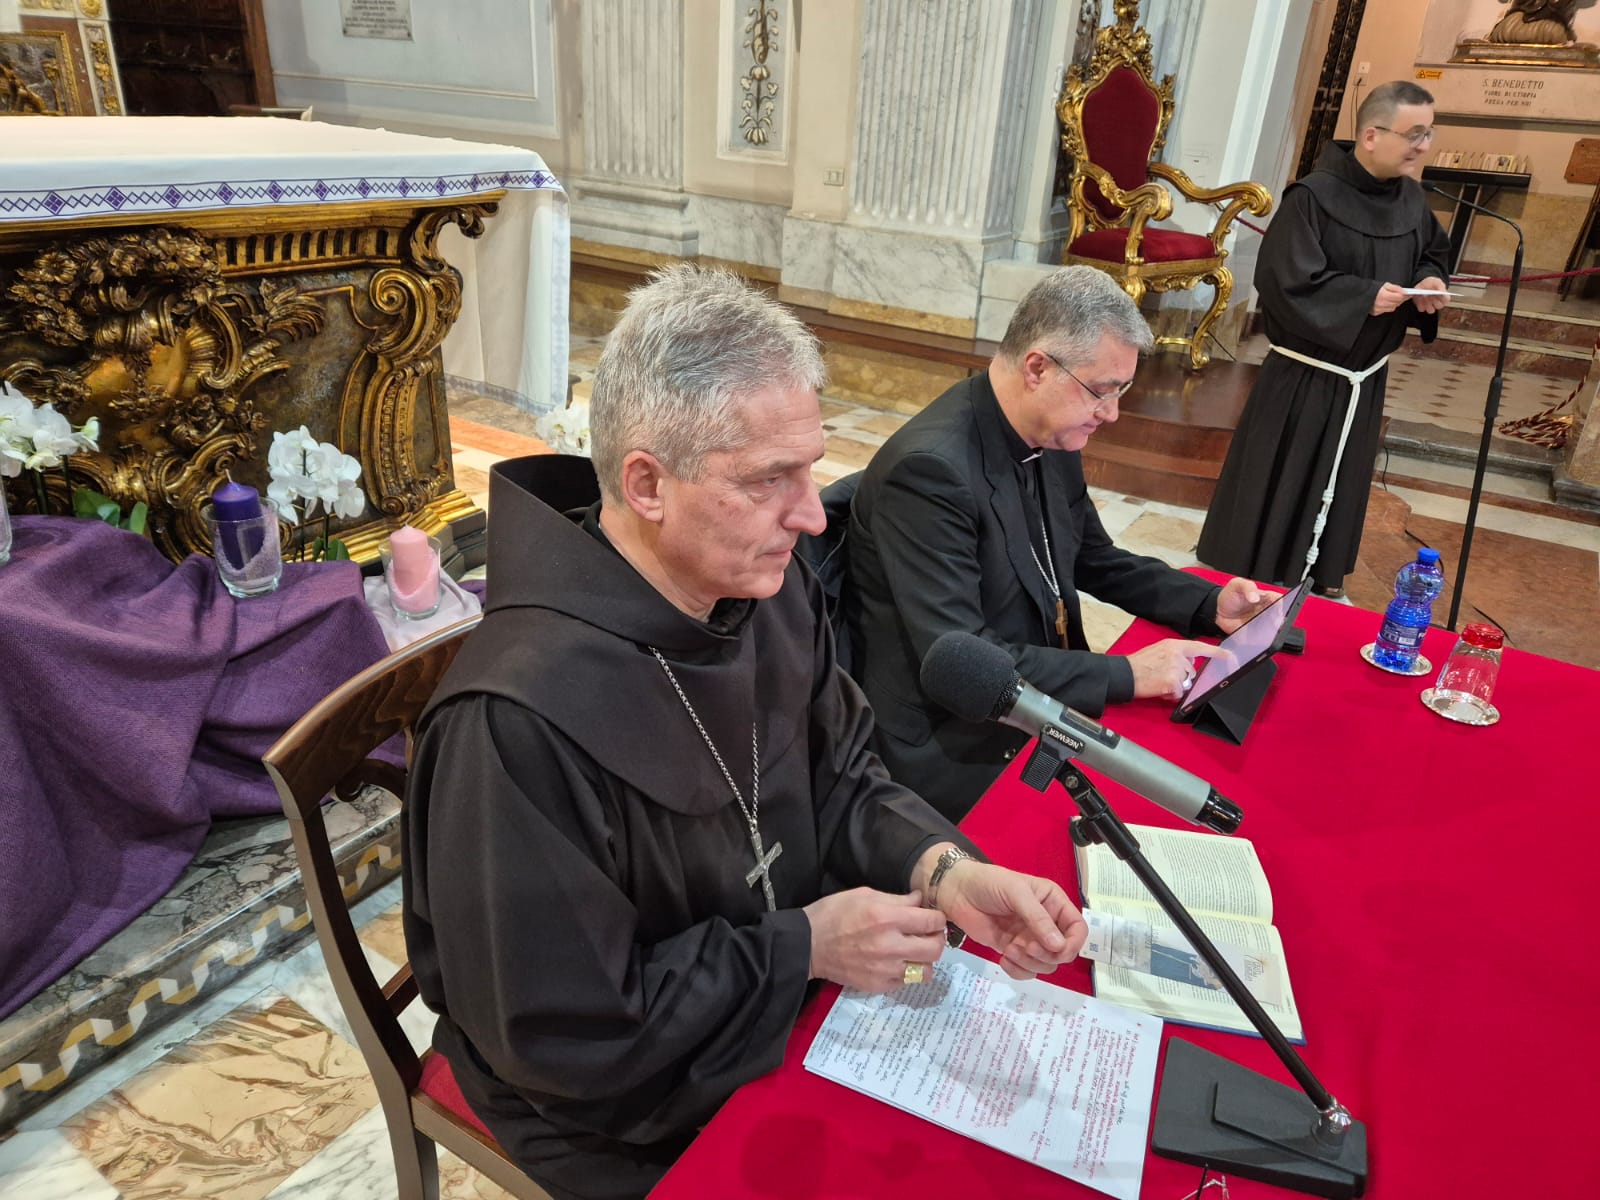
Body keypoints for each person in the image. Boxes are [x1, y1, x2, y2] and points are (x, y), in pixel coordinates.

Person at [403, 265, 1089, 1200]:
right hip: (620, 1096)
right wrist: (803, 947)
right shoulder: (513, 724)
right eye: (770, 479)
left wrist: (944, 871)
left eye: (810, 468)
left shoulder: (764, 586)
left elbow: (843, 772)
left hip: (771, 988)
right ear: (647, 483)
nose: (811, 515)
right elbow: (561, 1029)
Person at [844, 266, 1272, 822]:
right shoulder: (930, 473)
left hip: (1041, 698)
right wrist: (1127, 674)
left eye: (1121, 391)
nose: (1112, 413)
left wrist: (1207, 604)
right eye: (1102, 391)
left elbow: (1093, 557)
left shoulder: (1048, 432)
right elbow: (961, 657)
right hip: (955, 742)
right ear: (1038, 367)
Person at [1196, 80, 1452, 597]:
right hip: (1305, 376)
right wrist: (1362, 297)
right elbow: (1285, 281)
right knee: (1282, 477)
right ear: (1372, 135)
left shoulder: (1411, 198)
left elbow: (1431, 251)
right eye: (1414, 134)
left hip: (1364, 378)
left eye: (1429, 133)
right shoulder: (1312, 197)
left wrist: (1428, 279)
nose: (1424, 146)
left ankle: (1317, 572)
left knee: (1340, 477)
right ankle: (1253, 573)